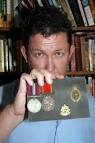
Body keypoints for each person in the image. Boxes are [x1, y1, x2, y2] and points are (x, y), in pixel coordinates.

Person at [0, 7, 95, 143]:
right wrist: (13, 113)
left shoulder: (91, 105)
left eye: (58, 54)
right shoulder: (2, 97)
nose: (50, 68)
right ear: (25, 55)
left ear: (70, 54)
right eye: (39, 54)